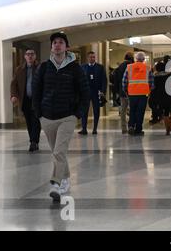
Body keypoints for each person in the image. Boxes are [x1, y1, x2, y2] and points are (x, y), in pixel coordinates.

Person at [32, 32, 89, 202]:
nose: (57, 45)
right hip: (47, 117)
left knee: (59, 151)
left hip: (67, 117)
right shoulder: (43, 67)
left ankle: (56, 184)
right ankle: (65, 179)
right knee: (58, 153)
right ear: (51, 47)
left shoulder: (75, 68)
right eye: (54, 42)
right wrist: (39, 113)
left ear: (66, 47)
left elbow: (85, 93)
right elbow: (36, 91)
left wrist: (78, 113)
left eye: (61, 42)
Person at [10, 48, 41, 152]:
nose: (30, 56)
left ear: (35, 56)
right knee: (29, 121)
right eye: (28, 54)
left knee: (36, 120)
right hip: (25, 100)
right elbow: (13, 84)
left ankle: (34, 142)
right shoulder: (19, 69)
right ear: (25, 56)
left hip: (37, 100)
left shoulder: (40, 68)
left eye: (32, 54)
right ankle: (33, 141)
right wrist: (14, 95)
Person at [122, 51, 153, 136]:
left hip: (132, 93)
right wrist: (149, 91)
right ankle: (138, 129)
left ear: (135, 59)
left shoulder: (129, 67)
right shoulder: (147, 68)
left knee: (132, 110)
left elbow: (124, 81)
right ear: (143, 59)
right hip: (143, 94)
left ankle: (131, 125)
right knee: (140, 112)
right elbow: (151, 82)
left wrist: (126, 90)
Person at [79, 51, 107, 135]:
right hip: (85, 92)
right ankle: (84, 129)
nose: (92, 58)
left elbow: (104, 80)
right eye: (91, 57)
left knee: (96, 110)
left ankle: (95, 129)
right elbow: (79, 80)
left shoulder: (100, 67)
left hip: (96, 92)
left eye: (93, 57)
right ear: (88, 58)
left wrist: (103, 91)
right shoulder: (82, 67)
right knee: (84, 111)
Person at [153, 61, 171, 135]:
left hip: (162, 97)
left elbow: (154, 88)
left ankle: (167, 129)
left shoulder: (156, 77)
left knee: (165, 112)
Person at [113, 52, 134, 134]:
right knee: (132, 109)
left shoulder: (120, 67)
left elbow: (116, 80)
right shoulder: (132, 66)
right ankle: (131, 126)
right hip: (131, 91)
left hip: (122, 91)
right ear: (131, 58)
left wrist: (117, 91)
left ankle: (123, 128)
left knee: (123, 110)